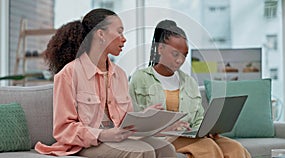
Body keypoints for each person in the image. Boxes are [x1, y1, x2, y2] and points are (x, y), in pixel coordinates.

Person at [34, 9, 177, 158]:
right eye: (119, 32)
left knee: (166, 148)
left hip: (119, 139)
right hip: (85, 144)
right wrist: (102, 134)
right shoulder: (69, 74)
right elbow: (64, 130)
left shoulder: (119, 75)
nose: (124, 39)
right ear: (100, 34)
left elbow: (124, 121)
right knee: (143, 151)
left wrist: (144, 117)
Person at [129, 19, 251, 158]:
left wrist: (207, 130)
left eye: (184, 55)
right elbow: (135, 121)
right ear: (160, 48)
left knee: (235, 148)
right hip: (162, 138)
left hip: (191, 135)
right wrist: (164, 127)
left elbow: (198, 118)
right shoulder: (141, 78)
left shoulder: (189, 82)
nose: (180, 60)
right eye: (175, 54)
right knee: (207, 148)